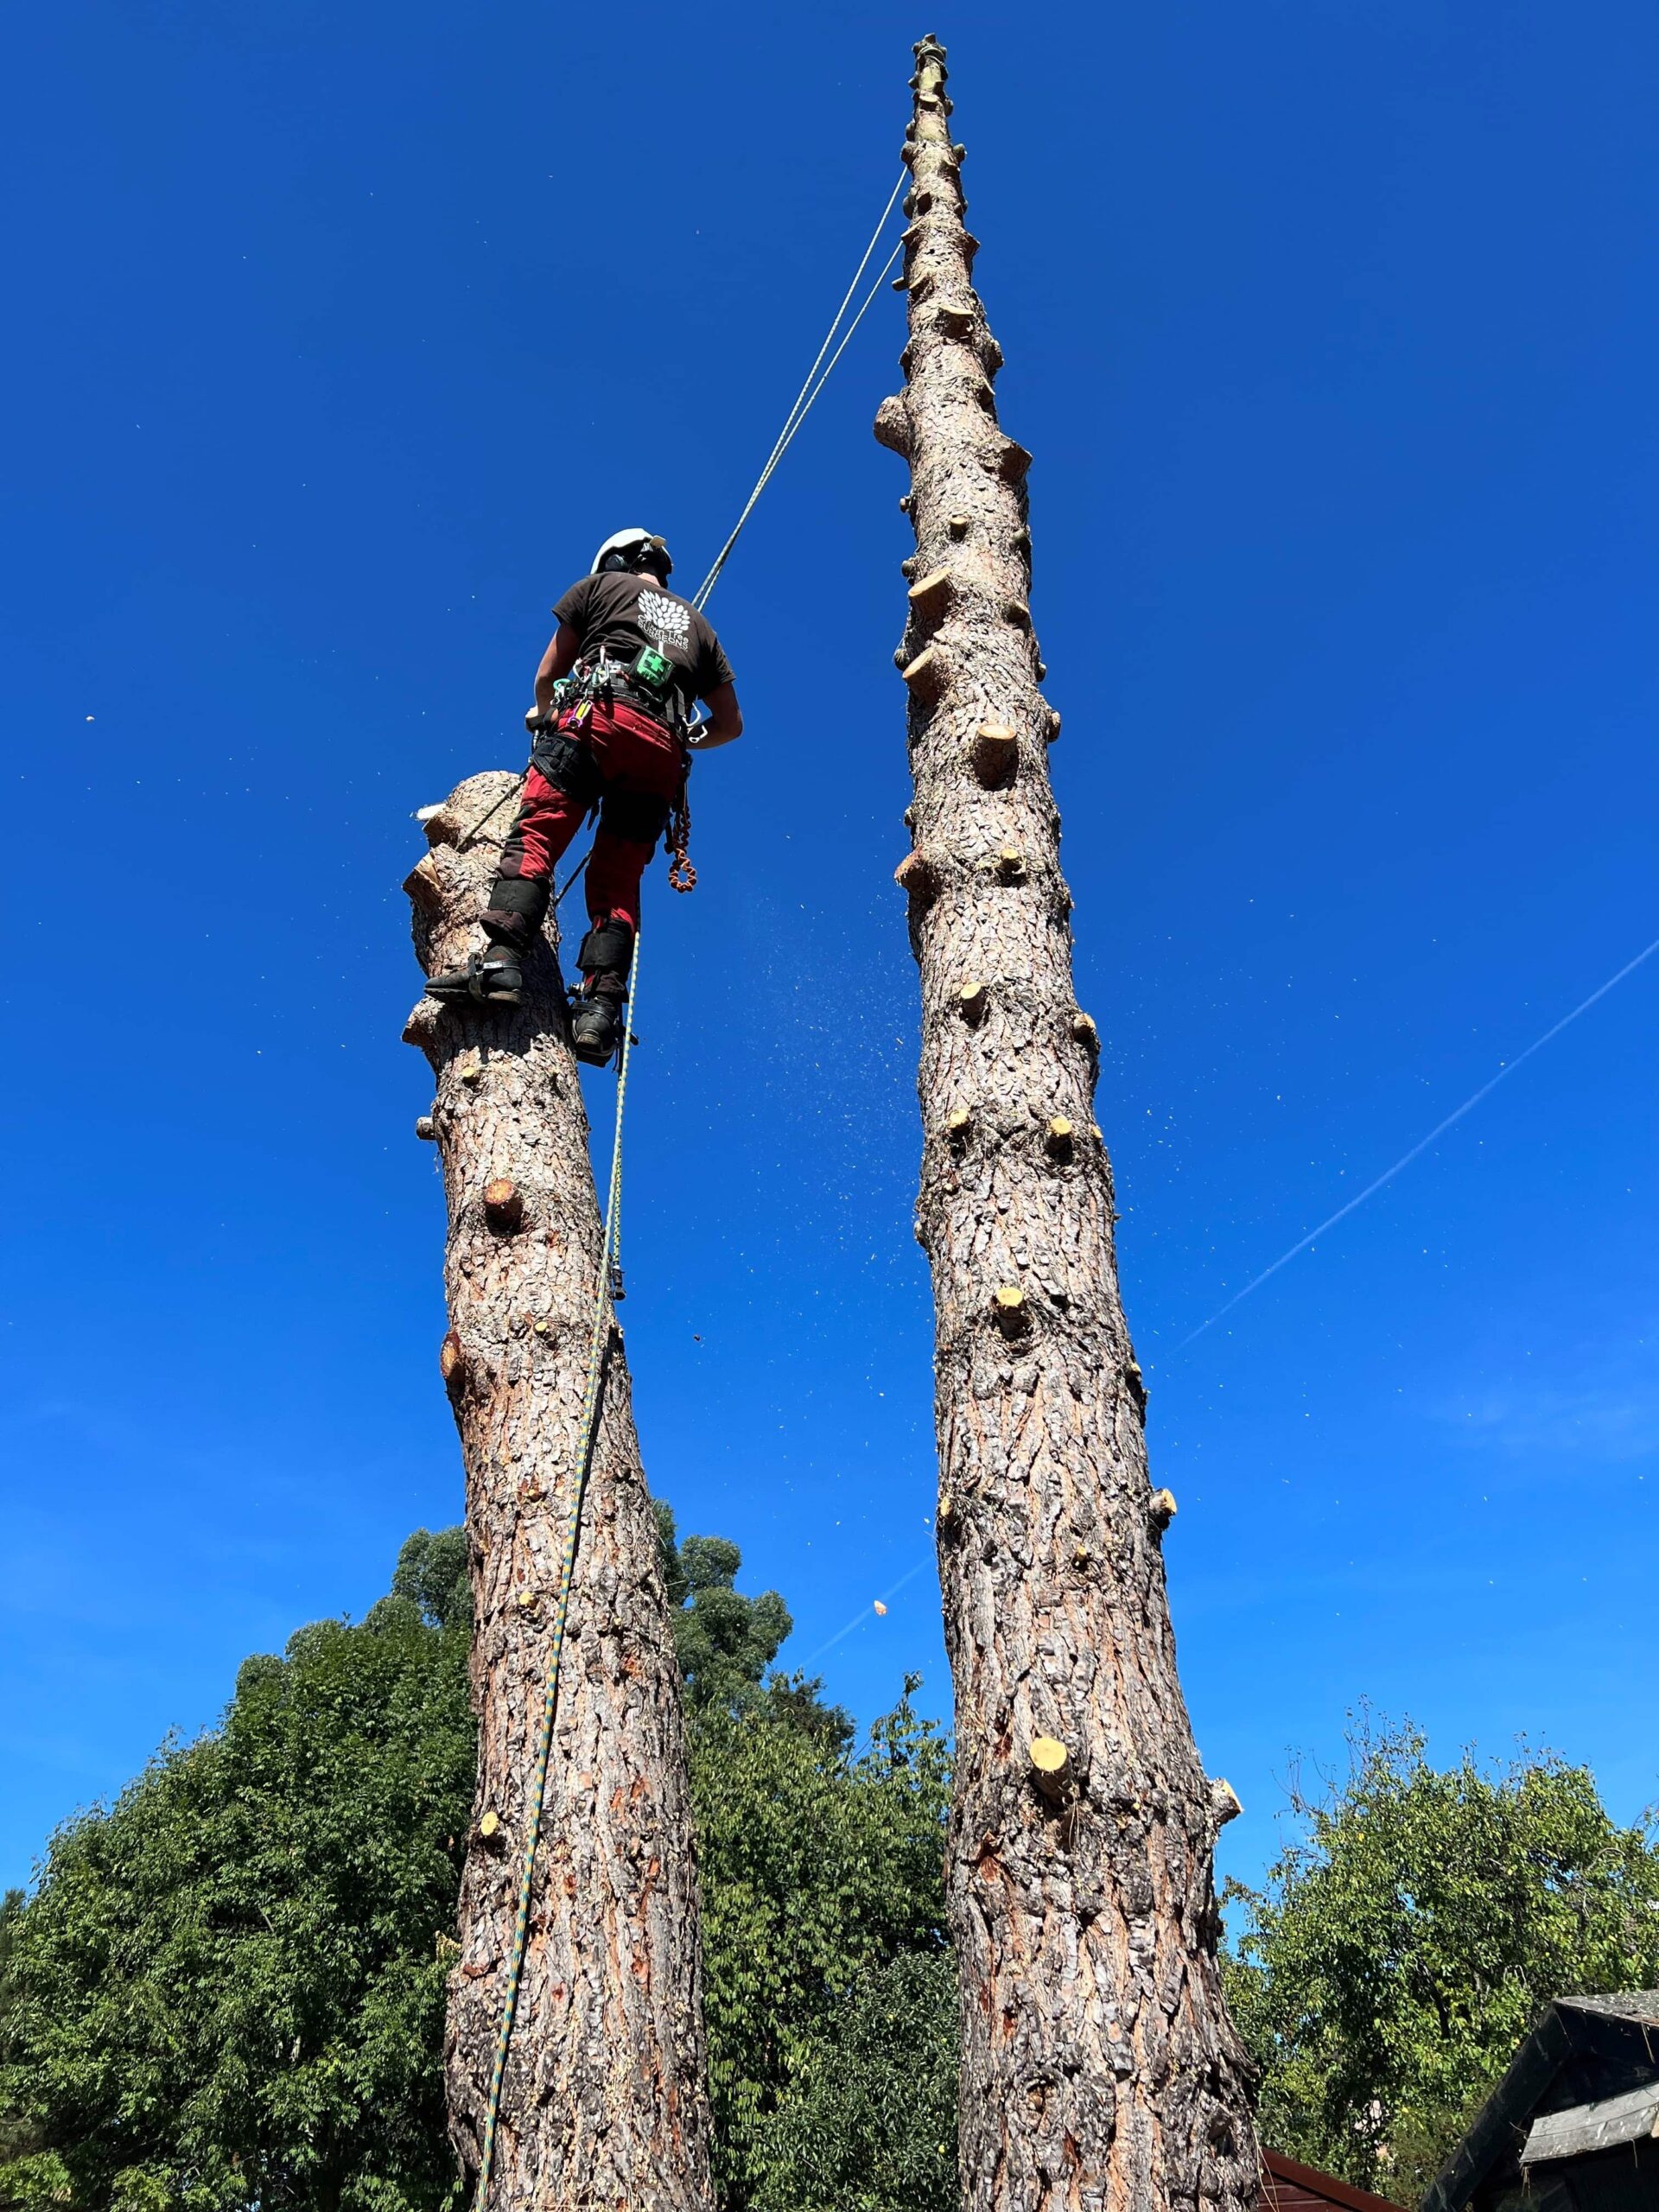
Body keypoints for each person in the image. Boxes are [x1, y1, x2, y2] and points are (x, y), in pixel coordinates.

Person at [429, 528, 742, 1064]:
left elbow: (548, 674)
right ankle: (599, 1013)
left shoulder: (598, 589)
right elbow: (730, 724)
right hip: (660, 754)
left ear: (614, 561)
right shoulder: (702, 628)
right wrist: (682, 733)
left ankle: (502, 960)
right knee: (617, 880)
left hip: (597, 717)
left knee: (538, 834)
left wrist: (546, 712)